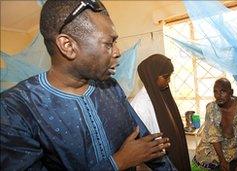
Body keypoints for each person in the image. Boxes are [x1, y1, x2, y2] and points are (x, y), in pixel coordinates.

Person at [0, 0, 176, 170]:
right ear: (68, 46)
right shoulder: (14, 108)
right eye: (109, 43)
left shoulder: (111, 87)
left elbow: (146, 144)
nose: (117, 52)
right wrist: (118, 162)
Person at [131, 54, 191, 171]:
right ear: (152, 76)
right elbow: (143, 143)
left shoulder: (163, 96)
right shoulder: (139, 105)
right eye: (165, 77)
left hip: (173, 156)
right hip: (159, 163)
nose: (168, 81)